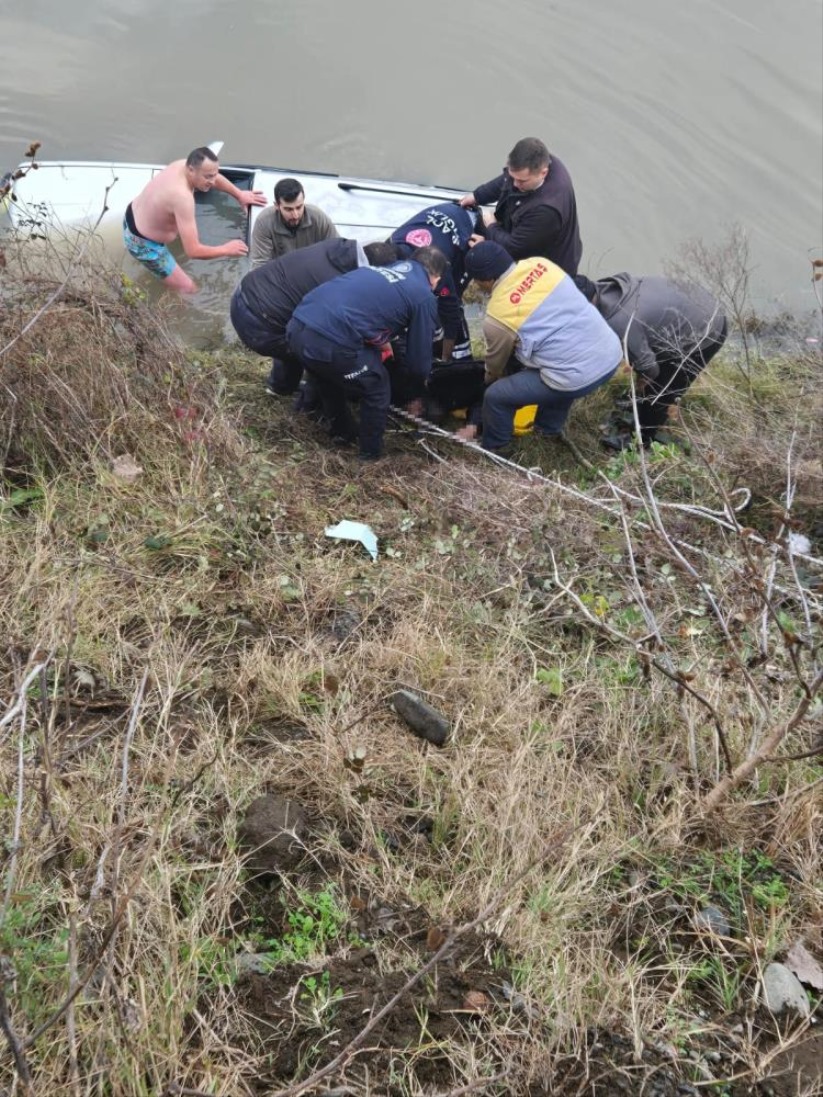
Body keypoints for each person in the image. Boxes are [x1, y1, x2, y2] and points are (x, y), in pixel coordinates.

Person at [458, 242, 621, 454]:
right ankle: (548, 430)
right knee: (559, 364)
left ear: (486, 280)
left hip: (576, 374)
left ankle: (496, 448)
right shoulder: (541, 264)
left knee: (497, 396)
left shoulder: (497, 314)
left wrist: (488, 383)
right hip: (610, 353)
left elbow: (495, 367)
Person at [286, 247, 447, 460]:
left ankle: (341, 431)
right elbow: (419, 363)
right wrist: (416, 390)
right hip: (328, 341)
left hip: (296, 326)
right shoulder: (423, 295)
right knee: (377, 387)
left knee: (327, 374)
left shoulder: (373, 271)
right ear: (436, 278)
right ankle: (369, 456)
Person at [574, 274, 728, 449]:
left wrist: (643, 382)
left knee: (661, 391)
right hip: (690, 304)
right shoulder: (606, 285)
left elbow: (650, 369)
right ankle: (638, 403)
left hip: (707, 328)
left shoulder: (620, 324)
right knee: (650, 372)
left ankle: (640, 439)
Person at [230, 239, 399, 396]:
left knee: (291, 324)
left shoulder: (337, 246)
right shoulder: (344, 285)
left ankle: (281, 388)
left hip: (243, 294)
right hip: (258, 324)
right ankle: (313, 404)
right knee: (318, 351)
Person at [123, 147, 266, 293]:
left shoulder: (182, 164)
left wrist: (239, 194)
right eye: (207, 177)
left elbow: (214, 178)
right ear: (191, 170)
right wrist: (226, 249)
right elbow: (193, 251)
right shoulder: (182, 197)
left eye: (213, 175)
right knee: (189, 289)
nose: (212, 181)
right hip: (143, 244)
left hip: (133, 214)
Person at [459, 137, 582, 275]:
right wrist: (477, 196)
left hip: (548, 268)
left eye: (522, 181)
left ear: (543, 173)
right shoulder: (540, 161)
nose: (515, 184)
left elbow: (514, 248)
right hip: (527, 234)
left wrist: (491, 227)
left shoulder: (546, 210)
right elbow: (506, 179)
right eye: (514, 177)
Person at [389, 202, 477, 361]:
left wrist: (446, 357)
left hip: (465, 222)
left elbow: (451, 313)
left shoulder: (442, 272)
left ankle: (460, 352)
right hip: (437, 220)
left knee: (452, 300)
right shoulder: (390, 251)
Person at [250, 178, 338, 267]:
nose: (295, 215)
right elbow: (260, 265)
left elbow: (337, 251)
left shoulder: (318, 218)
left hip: (313, 271)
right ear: (277, 206)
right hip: (280, 275)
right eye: (288, 209)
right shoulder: (264, 222)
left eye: (299, 207)